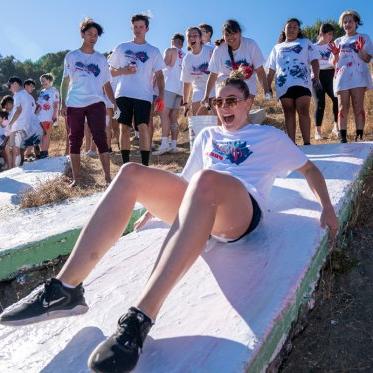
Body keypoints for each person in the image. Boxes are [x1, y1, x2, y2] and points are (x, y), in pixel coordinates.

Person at [0, 69, 338, 373]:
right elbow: (186, 178)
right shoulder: (207, 136)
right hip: (200, 197)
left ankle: (139, 318)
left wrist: (327, 207)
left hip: (239, 211)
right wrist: (154, 206)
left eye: (232, 100)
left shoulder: (269, 138)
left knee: (206, 180)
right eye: (217, 101)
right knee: (131, 172)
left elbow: (310, 170)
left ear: (249, 102)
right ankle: (65, 289)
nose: (223, 107)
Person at [60, 18, 116, 187]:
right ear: (82, 34)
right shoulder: (71, 56)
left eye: (96, 35)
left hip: (95, 102)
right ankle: (76, 179)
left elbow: (106, 84)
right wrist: (63, 103)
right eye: (90, 33)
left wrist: (114, 103)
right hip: (74, 103)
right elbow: (65, 81)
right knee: (74, 140)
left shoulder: (100, 59)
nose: (93, 37)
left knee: (100, 138)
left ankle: (107, 178)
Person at [109, 14, 165, 166]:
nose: (138, 30)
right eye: (135, 27)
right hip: (123, 93)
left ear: (147, 28)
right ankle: (126, 164)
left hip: (144, 95)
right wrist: (124, 70)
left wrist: (161, 95)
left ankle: (145, 165)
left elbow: (160, 76)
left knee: (143, 126)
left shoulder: (153, 51)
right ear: (131, 28)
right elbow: (110, 72)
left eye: (141, 27)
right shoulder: (121, 47)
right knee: (124, 127)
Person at [266, 18, 320, 145]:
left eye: (295, 27)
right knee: (288, 113)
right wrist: (267, 86)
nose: (291, 29)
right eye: (289, 27)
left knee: (303, 110)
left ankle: (307, 143)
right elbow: (271, 69)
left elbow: (315, 61)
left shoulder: (305, 42)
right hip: (283, 84)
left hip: (302, 82)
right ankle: (292, 144)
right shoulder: (277, 47)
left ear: (298, 30)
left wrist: (316, 76)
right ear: (284, 30)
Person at [202, 19, 271, 106]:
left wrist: (266, 90)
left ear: (240, 33)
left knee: (242, 114)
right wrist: (206, 95)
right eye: (227, 34)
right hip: (225, 87)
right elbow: (213, 74)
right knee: (226, 113)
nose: (230, 37)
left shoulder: (250, 45)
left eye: (233, 33)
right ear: (223, 36)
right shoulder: (219, 49)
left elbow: (260, 71)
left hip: (247, 86)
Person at [328, 10, 373, 143]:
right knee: (342, 107)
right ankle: (343, 137)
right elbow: (333, 63)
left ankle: (359, 136)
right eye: (345, 21)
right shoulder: (338, 41)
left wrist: (360, 50)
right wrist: (336, 55)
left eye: (350, 21)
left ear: (356, 22)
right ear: (342, 24)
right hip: (342, 78)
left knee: (358, 107)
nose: (347, 24)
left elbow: (367, 59)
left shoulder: (364, 38)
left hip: (358, 77)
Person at [153, 33, 185, 155]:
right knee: (173, 117)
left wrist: (153, 81)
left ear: (173, 41)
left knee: (163, 115)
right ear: (182, 43)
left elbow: (162, 66)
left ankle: (164, 144)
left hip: (168, 87)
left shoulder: (170, 50)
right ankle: (174, 145)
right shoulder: (185, 54)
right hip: (180, 90)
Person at [312, 23, 339, 140]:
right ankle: (317, 132)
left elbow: (337, 61)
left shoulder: (332, 46)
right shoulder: (312, 47)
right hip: (317, 75)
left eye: (332, 34)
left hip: (331, 74)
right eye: (329, 34)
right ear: (321, 34)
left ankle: (336, 127)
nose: (331, 37)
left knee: (336, 99)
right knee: (320, 103)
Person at [181, 26, 215, 115]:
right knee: (198, 118)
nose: (192, 38)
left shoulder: (210, 51)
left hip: (215, 87)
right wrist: (185, 103)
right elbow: (187, 82)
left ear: (200, 38)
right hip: (199, 89)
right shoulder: (187, 59)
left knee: (217, 119)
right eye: (189, 36)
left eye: (195, 35)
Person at [6, 77, 35, 168]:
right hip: (27, 126)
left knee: (14, 149)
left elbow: (18, 110)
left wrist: (10, 123)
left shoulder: (17, 95)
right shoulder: (28, 96)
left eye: (10, 86)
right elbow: (33, 109)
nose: (10, 89)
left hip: (18, 126)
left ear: (15, 84)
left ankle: (15, 169)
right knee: (18, 148)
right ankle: (19, 166)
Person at [36, 73, 59, 158]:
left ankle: (45, 152)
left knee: (46, 134)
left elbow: (56, 104)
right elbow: (39, 104)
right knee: (41, 134)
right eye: (41, 81)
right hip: (39, 117)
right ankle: (42, 151)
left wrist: (54, 116)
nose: (42, 83)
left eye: (44, 81)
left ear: (49, 80)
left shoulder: (54, 91)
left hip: (48, 116)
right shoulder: (42, 92)